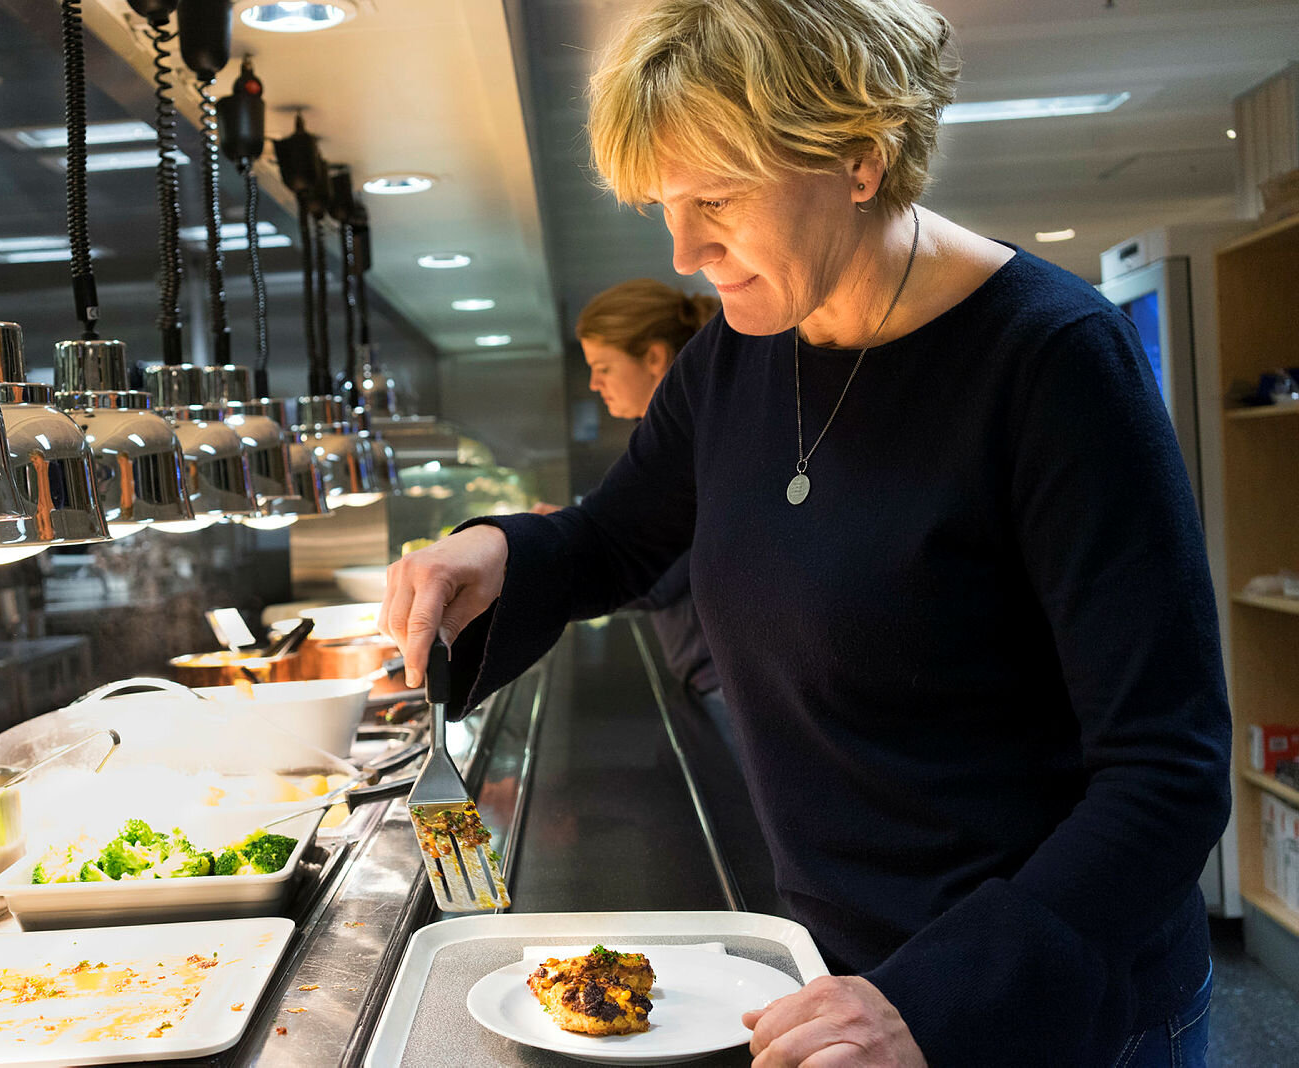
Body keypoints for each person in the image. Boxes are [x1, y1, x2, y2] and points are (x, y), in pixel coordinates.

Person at [379, 0, 1230, 1064]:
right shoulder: (736, 357)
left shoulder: (1053, 363)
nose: (687, 250)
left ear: (860, 159)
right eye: (664, 206)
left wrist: (937, 994)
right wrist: (494, 549)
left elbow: (1169, 769)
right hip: (830, 962)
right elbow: (617, 537)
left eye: (717, 199)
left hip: (1039, 985)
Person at [543, 280, 729, 736]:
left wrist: (557, 545)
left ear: (653, 357)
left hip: (722, 675)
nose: (594, 383)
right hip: (711, 672)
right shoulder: (673, 437)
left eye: (603, 366)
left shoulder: (699, 439)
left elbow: (654, 570)